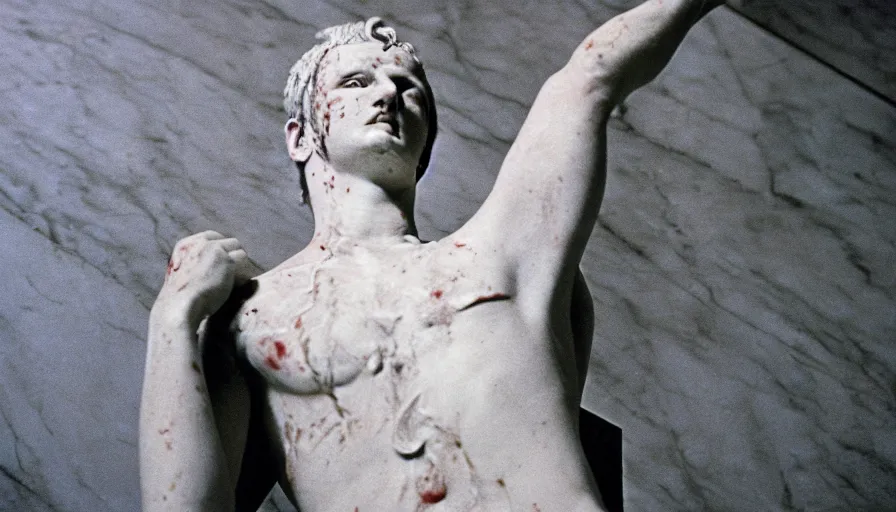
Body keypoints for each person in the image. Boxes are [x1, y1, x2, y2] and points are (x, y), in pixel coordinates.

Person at [139, 1, 721, 510]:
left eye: (407, 85)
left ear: (426, 147)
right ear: (299, 136)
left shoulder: (503, 253)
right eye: (355, 82)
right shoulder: (251, 319)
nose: (388, 91)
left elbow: (589, 78)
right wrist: (174, 319)